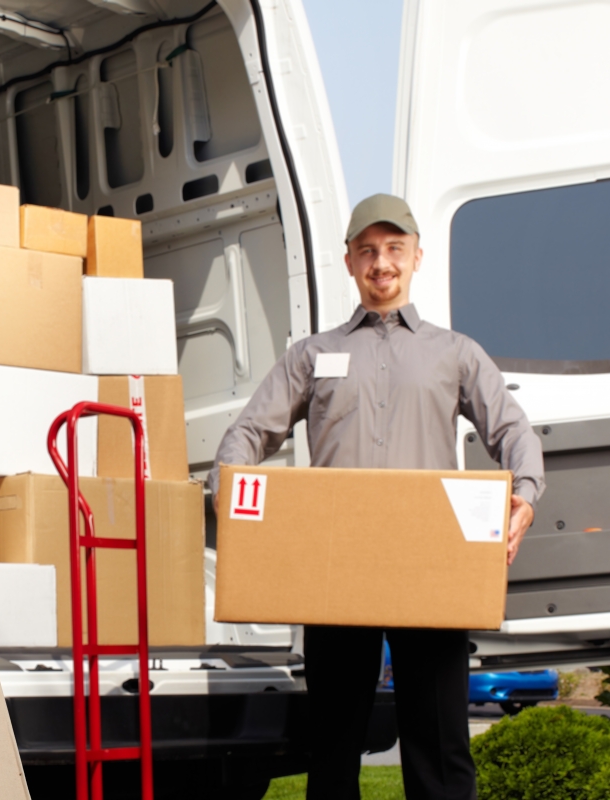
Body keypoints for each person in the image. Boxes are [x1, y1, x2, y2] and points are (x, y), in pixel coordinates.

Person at [209, 194, 544, 800]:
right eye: (367, 250)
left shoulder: (456, 352)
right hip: (336, 570)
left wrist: (524, 494)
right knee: (333, 743)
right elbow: (249, 433)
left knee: (439, 741)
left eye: (393, 249)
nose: (380, 262)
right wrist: (228, 490)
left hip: (430, 567)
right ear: (349, 262)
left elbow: (512, 429)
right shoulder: (311, 356)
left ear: (417, 257)